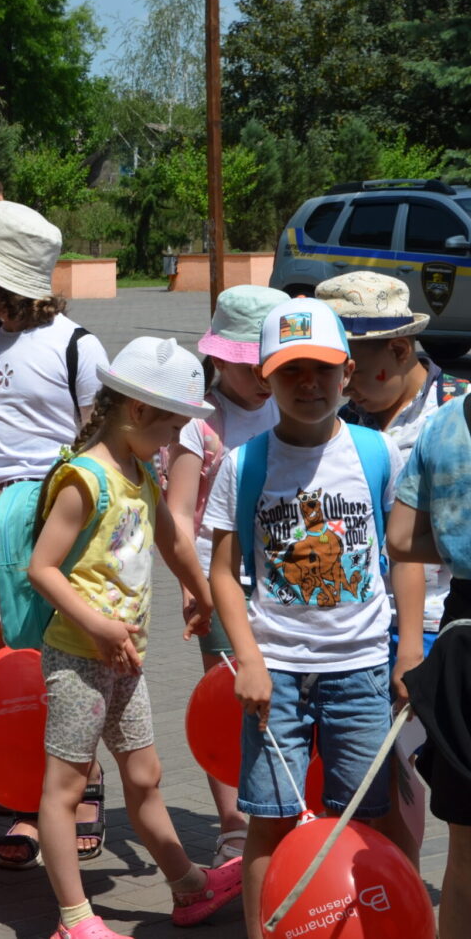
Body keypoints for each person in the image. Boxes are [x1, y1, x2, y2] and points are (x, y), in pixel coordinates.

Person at [202, 297, 414, 939]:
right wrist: (248, 660)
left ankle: (387, 925)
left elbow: (402, 555)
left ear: (347, 372)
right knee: (269, 818)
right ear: (264, 376)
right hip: (277, 675)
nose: (308, 384)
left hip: (362, 670)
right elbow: (223, 573)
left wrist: (408, 649)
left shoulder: (378, 453)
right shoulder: (243, 464)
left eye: (321, 369)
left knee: (370, 815)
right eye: (290, 370)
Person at [30, 337, 241, 939]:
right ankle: (75, 919)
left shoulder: (140, 472)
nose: (174, 441)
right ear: (139, 410)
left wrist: (200, 591)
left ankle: (188, 886)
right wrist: (97, 625)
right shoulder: (85, 479)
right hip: (79, 659)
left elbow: (172, 537)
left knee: (145, 776)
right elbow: (42, 568)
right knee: (66, 788)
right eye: (171, 426)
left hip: (125, 660)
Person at [0, 200, 110, 868]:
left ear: (6, 280)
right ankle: (28, 796)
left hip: (57, 521)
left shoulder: (77, 346)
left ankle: (83, 784)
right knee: (18, 660)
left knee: (67, 663)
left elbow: (101, 443)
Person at [319, 269, 466, 863]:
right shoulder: (340, 424)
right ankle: (397, 891)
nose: (344, 382)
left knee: (464, 785)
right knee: (380, 781)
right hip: (361, 628)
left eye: (354, 366)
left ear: (401, 351)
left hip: (448, 625)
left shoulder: (463, 415)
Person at [163, 284, 287, 867]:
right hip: (219, 576)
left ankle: (282, 807)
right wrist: (192, 586)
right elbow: (178, 513)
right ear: (218, 358)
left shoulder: (289, 407)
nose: (262, 376)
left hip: (283, 573)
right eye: (248, 364)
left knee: (282, 693)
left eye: (269, 363)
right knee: (227, 696)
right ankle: (233, 821)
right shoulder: (199, 422)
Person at [388, 299, 471, 939]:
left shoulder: (451, 420)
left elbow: (402, 539)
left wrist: (464, 547)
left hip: (470, 654)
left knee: (469, 860)